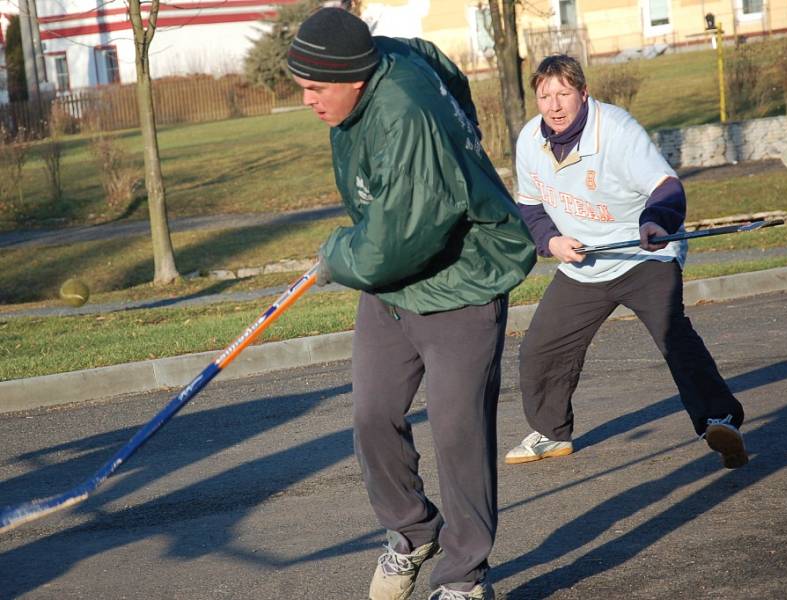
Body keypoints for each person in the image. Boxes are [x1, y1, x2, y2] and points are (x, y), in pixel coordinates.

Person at [287, 8, 536, 600]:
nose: (307, 101)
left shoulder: (409, 117)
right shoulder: (387, 56)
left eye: (314, 89)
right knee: (373, 417)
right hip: (395, 286)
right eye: (301, 88)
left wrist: (334, 255)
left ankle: (464, 577)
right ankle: (413, 531)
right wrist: (465, 144)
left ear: (352, 78)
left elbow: (392, 244)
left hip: (462, 283)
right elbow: (439, 58)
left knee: (458, 432)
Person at [506, 54, 748, 470]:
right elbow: (529, 208)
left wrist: (656, 221)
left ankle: (718, 421)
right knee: (540, 348)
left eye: (564, 93)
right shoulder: (530, 140)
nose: (554, 105)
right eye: (545, 96)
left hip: (643, 255)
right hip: (583, 264)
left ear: (583, 93)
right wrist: (551, 241)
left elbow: (665, 186)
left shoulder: (616, 131)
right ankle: (551, 432)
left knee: (675, 336)